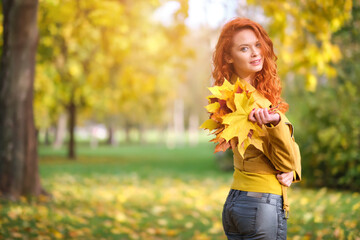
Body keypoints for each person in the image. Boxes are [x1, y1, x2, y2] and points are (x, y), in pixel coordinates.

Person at [211, 18, 302, 239]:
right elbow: (285, 161)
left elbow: (282, 158)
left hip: (237, 201)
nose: (255, 53)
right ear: (229, 57)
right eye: (244, 48)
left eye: (257, 45)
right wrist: (277, 124)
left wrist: (292, 171)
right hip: (262, 205)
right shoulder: (253, 104)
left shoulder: (229, 95)